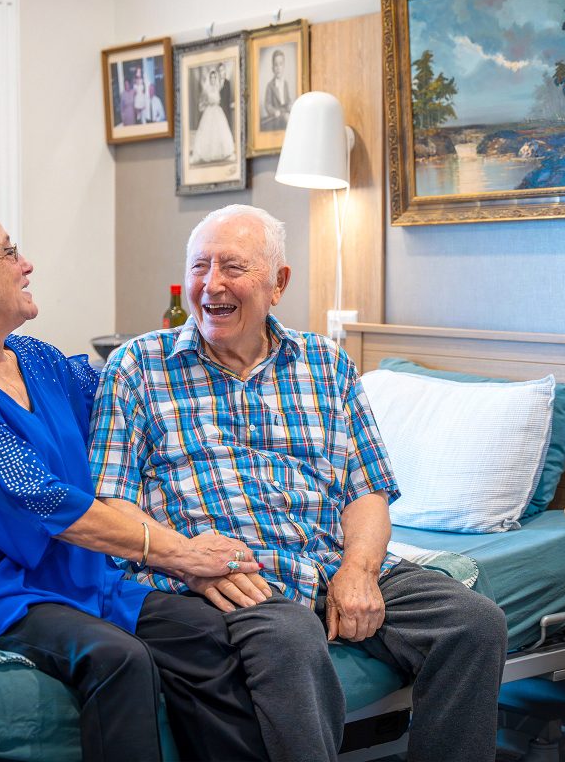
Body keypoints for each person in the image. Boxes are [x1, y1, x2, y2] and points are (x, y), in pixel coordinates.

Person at [89, 204, 508, 762]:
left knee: (474, 623)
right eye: (198, 267)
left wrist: (358, 571)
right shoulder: (138, 366)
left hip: (330, 558)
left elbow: (367, 491)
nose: (211, 284)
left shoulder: (326, 364)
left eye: (232, 267)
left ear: (278, 283)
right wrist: (186, 556)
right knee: (290, 639)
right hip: (236, 574)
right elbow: (111, 501)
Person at [0, 219, 280, 762]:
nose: (27, 264)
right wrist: (181, 553)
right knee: (118, 659)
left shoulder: (37, 359)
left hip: (91, 573)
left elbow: (131, 402)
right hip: (13, 592)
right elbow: (43, 499)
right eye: (10, 253)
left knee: (205, 630)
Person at [191, 68, 235, 164]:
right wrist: (207, 103)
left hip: (217, 111)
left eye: (214, 77)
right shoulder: (206, 90)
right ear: (209, 79)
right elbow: (201, 103)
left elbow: (220, 100)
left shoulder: (218, 89)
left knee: (220, 131)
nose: (213, 79)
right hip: (209, 111)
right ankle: (207, 153)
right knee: (208, 132)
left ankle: (221, 153)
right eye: (211, 78)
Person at [262, 50, 291, 131]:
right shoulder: (270, 85)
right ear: (272, 68)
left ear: (284, 66)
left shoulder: (285, 84)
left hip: (285, 113)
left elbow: (288, 100)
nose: (278, 68)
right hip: (276, 118)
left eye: (281, 64)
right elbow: (267, 104)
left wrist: (290, 105)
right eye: (276, 65)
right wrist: (274, 111)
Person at [217, 61, 232, 130]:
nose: (221, 72)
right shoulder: (216, 84)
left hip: (226, 112)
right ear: (218, 72)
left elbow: (228, 98)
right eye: (220, 71)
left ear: (225, 71)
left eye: (222, 70)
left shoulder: (228, 83)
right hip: (217, 112)